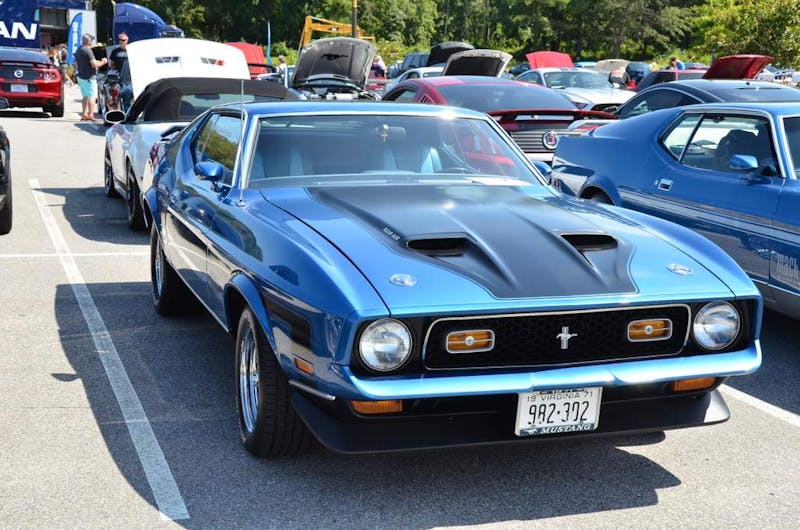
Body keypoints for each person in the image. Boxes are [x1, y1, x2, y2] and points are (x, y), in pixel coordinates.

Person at [73, 33, 107, 121]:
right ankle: (91, 115)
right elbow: (94, 64)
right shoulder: (88, 50)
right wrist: (103, 62)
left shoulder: (79, 49)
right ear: (88, 41)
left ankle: (84, 114)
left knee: (85, 96)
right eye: (91, 40)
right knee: (92, 96)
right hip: (89, 77)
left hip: (80, 76)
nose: (91, 42)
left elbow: (75, 63)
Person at [110, 32, 133, 110]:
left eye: (123, 40)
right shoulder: (115, 51)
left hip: (130, 76)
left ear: (127, 40)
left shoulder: (131, 50)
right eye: (120, 40)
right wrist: (113, 72)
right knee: (119, 94)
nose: (121, 41)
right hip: (119, 75)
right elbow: (112, 63)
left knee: (128, 94)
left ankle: (127, 110)